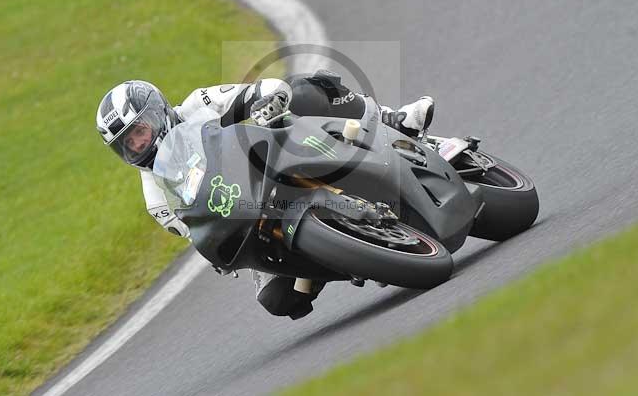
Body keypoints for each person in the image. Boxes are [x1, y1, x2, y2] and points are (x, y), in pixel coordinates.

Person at [95, 70, 434, 319]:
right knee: (278, 300)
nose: (138, 145)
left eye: (138, 132)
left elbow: (268, 88)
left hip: (273, 153)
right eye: (127, 144)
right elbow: (198, 232)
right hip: (249, 214)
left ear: (157, 113)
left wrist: (266, 104)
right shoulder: (157, 199)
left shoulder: (200, 103)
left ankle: (392, 120)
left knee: (306, 88)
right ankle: (360, 258)